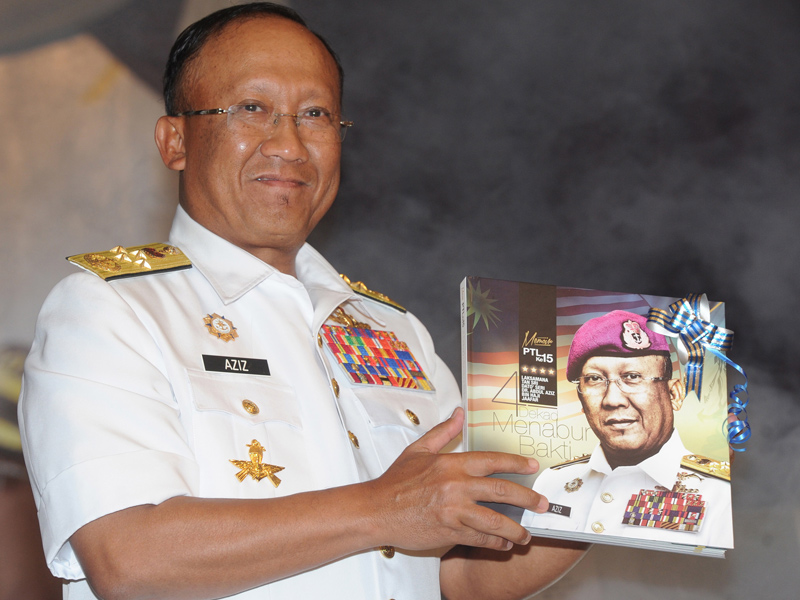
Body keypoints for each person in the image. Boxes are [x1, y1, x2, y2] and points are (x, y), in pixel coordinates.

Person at [19, 4, 586, 599]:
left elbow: (459, 576)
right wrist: (380, 509)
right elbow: (129, 560)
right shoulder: (108, 310)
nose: (288, 145)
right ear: (175, 140)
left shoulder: (394, 331)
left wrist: (606, 498)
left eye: (315, 114)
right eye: (251, 108)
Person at [520, 310, 733, 549]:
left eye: (632, 376)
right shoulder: (552, 483)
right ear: (581, 399)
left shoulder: (720, 493)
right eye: (594, 379)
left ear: (674, 394)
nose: (612, 400)